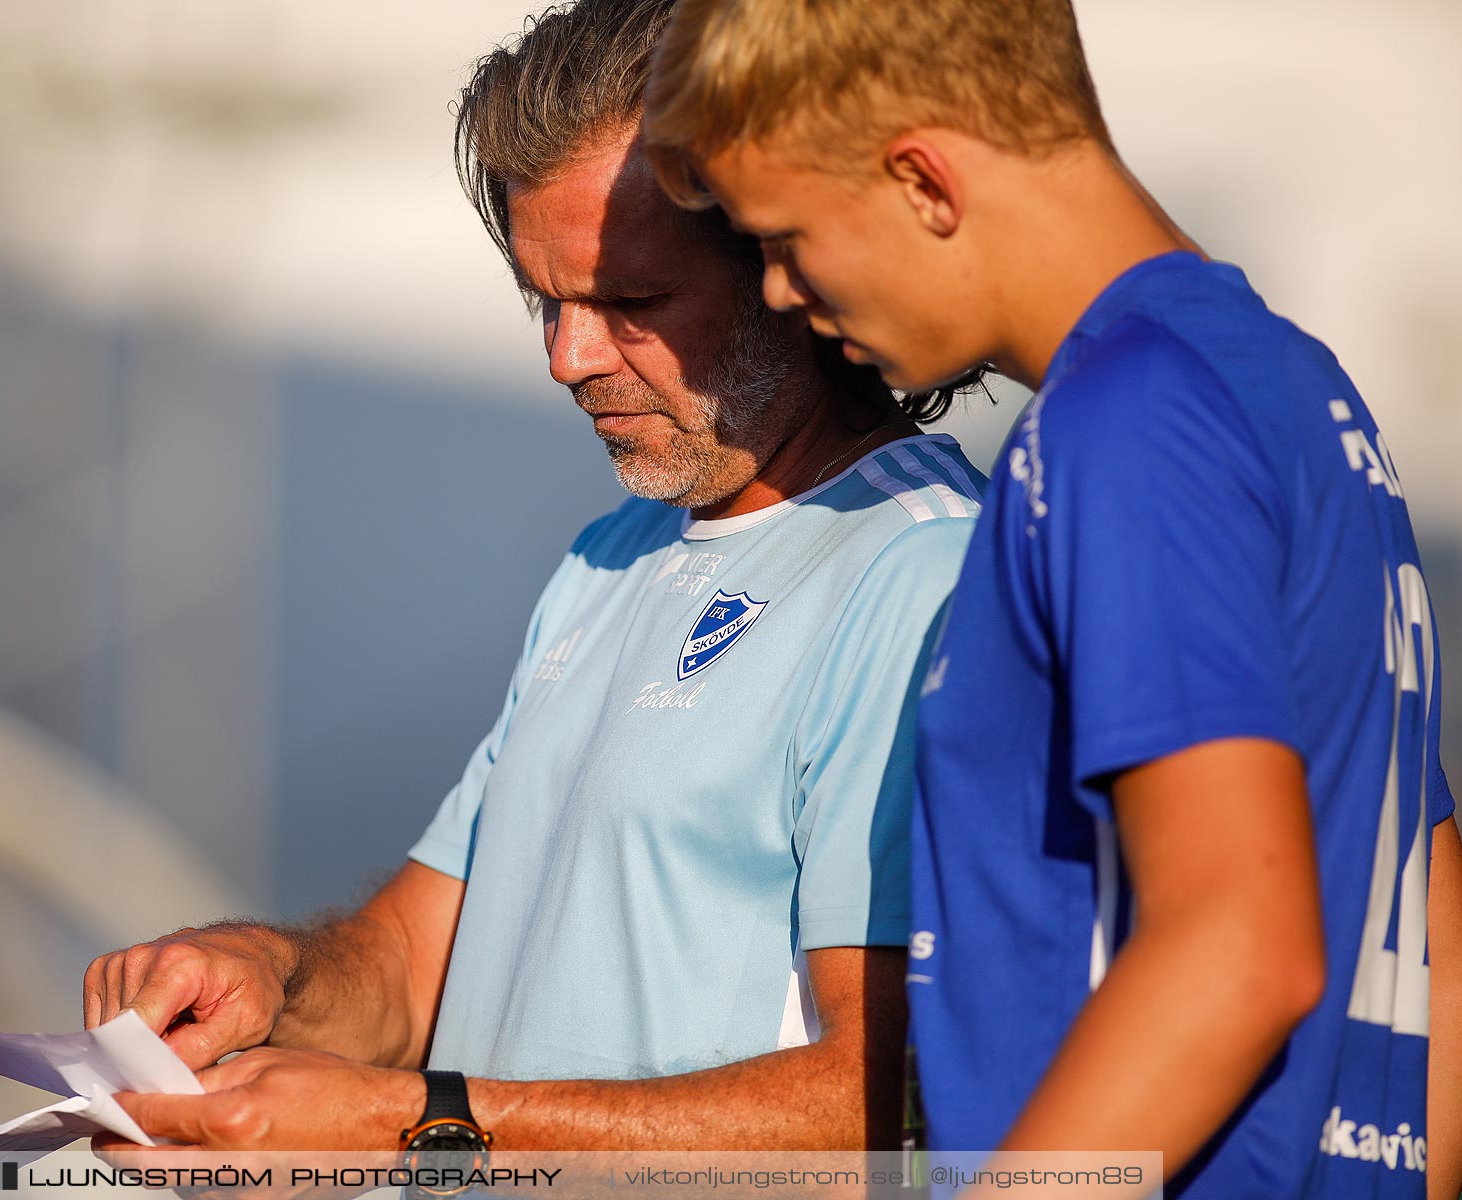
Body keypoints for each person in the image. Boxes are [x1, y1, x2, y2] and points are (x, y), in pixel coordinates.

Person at [80, 0, 987, 1156]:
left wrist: (423, 1128)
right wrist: (267, 972)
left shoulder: (923, 571)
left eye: (631, 302)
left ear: (787, 258)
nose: (569, 357)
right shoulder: (612, 553)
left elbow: (877, 1106)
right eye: (545, 299)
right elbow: (415, 968)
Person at [643, 1, 1459, 1196]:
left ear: (923, 179)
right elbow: (1431, 933)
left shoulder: (1123, 420)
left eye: (785, 236)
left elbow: (1238, 950)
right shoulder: (1299, 390)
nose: (778, 292)